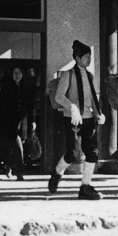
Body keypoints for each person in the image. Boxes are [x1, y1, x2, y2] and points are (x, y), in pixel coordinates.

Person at [49, 40, 106, 200]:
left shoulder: (89, 75)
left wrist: (98, 113)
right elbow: (59, 96)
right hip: (73, 119)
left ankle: (85, 187)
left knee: (92, 153)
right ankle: (57, 172)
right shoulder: (68, 75)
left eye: (90, 56)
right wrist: (72, 107)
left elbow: (93, 98)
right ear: (78, 58)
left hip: (89, 119)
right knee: (72, 154)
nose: (89, 59)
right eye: (86, 56)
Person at [0, 66, 34, 181]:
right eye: (15, 72)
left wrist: (32, 121)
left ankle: (16, 169)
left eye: (19, 72)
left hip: (22, 122)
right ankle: (13, 168)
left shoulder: (25, 87)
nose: (17, 75)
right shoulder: (7, 87)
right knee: (12, 146)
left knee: (18, 145)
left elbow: (29, 106)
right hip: (8, 121)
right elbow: (0, 106)